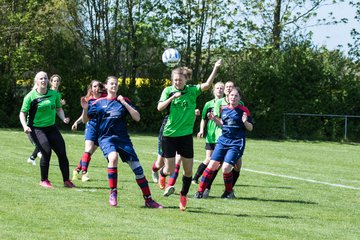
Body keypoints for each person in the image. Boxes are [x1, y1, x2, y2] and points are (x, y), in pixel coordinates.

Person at [81, 76, 162, 208]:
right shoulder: (98, 103)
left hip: (123, 139)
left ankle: (148, 199)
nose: (114, 86)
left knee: (138, 170)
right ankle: (113, 192)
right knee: (113, 158)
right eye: (111, 84)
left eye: (116, 84)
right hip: (106, 138)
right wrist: (85, 109)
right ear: (106, 86)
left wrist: (124, 102)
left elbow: (137, 117)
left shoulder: (123, 101)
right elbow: (85, 121)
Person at [157, 59, 222, 211]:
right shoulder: (168, 90)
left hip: (185, 136)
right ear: (172, 80)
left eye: (180, 79)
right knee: (170, 169)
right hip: (169, 135)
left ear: (185, 79)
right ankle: (162, 173)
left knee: (188, 171)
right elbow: (159, 107)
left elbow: (206, 85)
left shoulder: (192, 90)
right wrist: (172, 98)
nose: (177, 82)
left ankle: (183, 196)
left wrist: (215, 68)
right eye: (175, 80)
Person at [19, 71, 75, 188]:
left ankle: (67, 180)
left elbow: (58, 109)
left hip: (51, 128)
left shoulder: (54, 94)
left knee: (62, 153)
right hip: (36, 129)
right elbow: (22, 113)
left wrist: (63, 118)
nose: (43, 80)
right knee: (46, 152)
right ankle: (44, 180)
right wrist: (25, 126)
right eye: (41, 79)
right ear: (36, 82)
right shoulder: (30, 96)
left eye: (45, 78)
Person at [194, 87, 253, 199]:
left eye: (236, 96)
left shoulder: (244, 110)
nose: (233, 97)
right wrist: (213, 119)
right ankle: (200, 191)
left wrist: (245, 122)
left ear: (239, 98)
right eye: (231, 95)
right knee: (211, 165)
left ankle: (228, 192)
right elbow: (223, 124)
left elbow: (250, 128)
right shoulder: (224, 109)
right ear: (228, 96)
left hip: (236, 143)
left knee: (225, 168)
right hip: (223, 141)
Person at [192, 82, 225, 198]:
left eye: (222, 88)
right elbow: (203, 119)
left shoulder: (227, 103)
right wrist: (201, 130)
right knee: (209, 159)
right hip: (210, 135)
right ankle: (196, 177)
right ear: (213, 90)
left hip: (221, 136)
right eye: (217, 88)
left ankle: (204, 183)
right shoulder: (208, 104)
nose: (220, 90)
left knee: (217, 163)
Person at [25, 74, 65, 165]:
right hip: (38, 124)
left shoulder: (57, 94)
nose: (57, 83)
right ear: (50, 82)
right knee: (44, 143)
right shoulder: (46, 91)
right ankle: (35, 156)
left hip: (51, 122)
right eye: (55, 81)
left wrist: (62, 114)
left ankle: (33, 157)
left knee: (48, 143)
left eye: (58, 81)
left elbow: (57, 107)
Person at [71, 80, 105, 182]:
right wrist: (76, 122)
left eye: (98, 86)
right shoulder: (88, 100)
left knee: (89, 153)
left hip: (101, 130)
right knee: (88, 149)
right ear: (91, 88)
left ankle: (76, 170)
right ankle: (84, 174)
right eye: (94, 86)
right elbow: (84, 116)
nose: (96, 88)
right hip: (91, 127)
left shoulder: (105, 98)